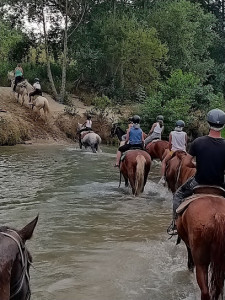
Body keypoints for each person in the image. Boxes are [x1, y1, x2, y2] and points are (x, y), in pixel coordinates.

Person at [167, 109, 225, 235]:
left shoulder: (198, 142)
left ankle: (175, 225)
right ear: (223, 125)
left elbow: (187, 163)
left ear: (208, 123)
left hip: (198, 182)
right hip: (220, 184)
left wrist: (198, 164)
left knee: (178, 195)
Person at [159, 120, 187, 185]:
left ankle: (162, 178)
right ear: (183, 127)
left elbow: (169, 144)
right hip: (183, 151)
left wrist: (170, 150)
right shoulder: (185, 134)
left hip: (173, 151)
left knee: (164, 161)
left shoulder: (172, 133)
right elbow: (185, 144)